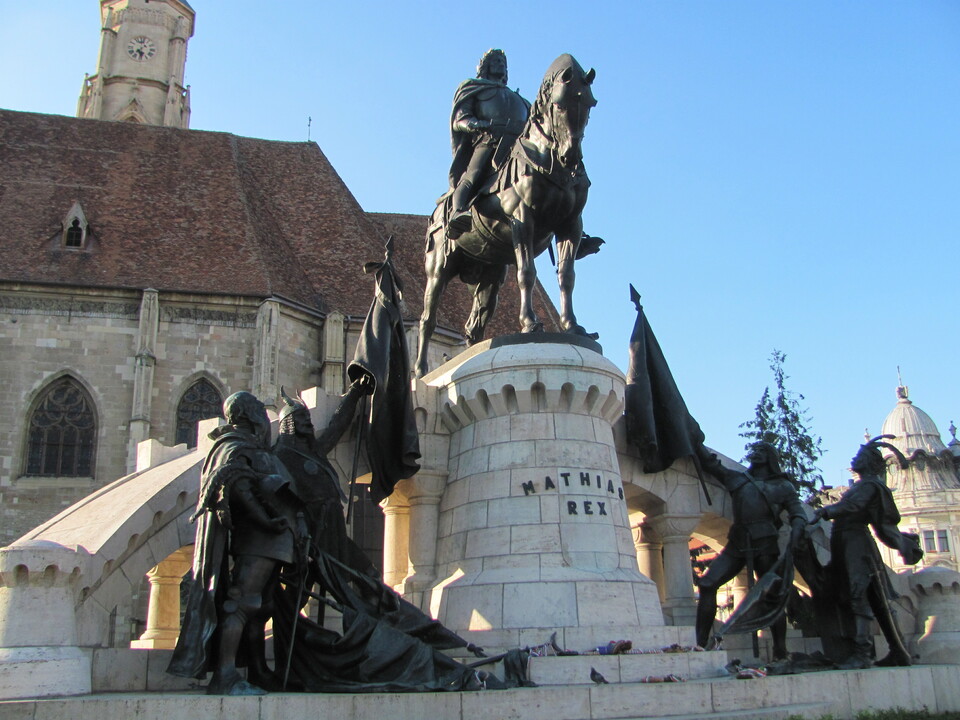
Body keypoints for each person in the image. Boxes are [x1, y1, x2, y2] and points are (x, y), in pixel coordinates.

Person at [168, 390, 306, 695]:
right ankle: (225, 676)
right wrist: (265, 520)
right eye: (257, 407)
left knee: (262, 607)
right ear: (246, 413)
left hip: (273, 540)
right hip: (258, 539)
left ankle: (258, 671)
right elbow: (237, 485)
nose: (263, 413)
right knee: (242, 603)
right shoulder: (234, 445)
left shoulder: (251, 446)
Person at [811, 435, 922, 668]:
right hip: (845, 540)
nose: (854, 459)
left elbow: (854, 506)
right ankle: (898, 651)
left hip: (855, 542)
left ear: (870, 462)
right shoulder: (862, 485)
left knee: (857, 594)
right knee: (876, 599)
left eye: (859, 456)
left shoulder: (870, 486)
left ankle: (862, 652)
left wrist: (826, 512)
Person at [695, 442, 806, 658]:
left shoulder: (783, 486)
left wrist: (798, 528)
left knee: (771, 596)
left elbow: (797, 512)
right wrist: (693, 436)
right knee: (707, 584)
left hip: (765, 544)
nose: (756, 453)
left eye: (762, 450)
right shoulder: (738, 479)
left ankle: (780, 650)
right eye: (754, 450)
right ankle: (700, 644)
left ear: (770, 458)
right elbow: (710, 464)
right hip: (738, 542)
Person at [273, 380, 375, 577]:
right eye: (302, 418)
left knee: (366, 572)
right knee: (316, 577)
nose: (308, 423)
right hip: (312, 526)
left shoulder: (314, 451)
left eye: (308, 418)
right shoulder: (280, 457)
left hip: (332, 521)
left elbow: (337, 425)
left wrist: (355, 392)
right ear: (289, 423)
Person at [446, 48, 530, 238]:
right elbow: (460, 119)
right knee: (473, 175)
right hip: (488, 140)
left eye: (503, 62)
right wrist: (475, 124)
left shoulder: (521, 100)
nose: (500, 64)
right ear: (485, 66)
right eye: (495, 61)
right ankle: (457, 213)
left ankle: (566, 224)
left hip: (518, 146)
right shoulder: (473, 87)